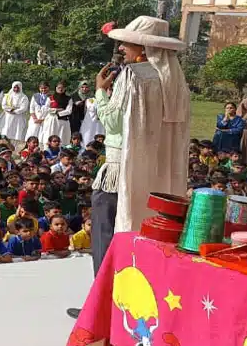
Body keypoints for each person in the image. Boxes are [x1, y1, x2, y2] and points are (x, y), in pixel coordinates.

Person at [68, 16, 189, 319]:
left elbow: (111, 121)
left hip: (121, 169)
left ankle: (102, 309)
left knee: (106, 233)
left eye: (126, 43)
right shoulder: (175, 80)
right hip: (157, 173)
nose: (121, 48)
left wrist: (100, 91)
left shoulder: (134, 75)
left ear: (143, 48)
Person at [38, 83, 73, 147]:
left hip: (63, 121)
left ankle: (62, 151)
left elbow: (69, 111)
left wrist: (59, 113)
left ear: (65, 89)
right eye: (59, 88)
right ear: (56, 88)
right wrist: (56, 110)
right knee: (50, 135)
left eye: (62, 88)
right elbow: (46, 108)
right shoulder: (50, 98)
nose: (61, 89)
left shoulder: (69, 99)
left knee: (62, 137)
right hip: (52, 120)